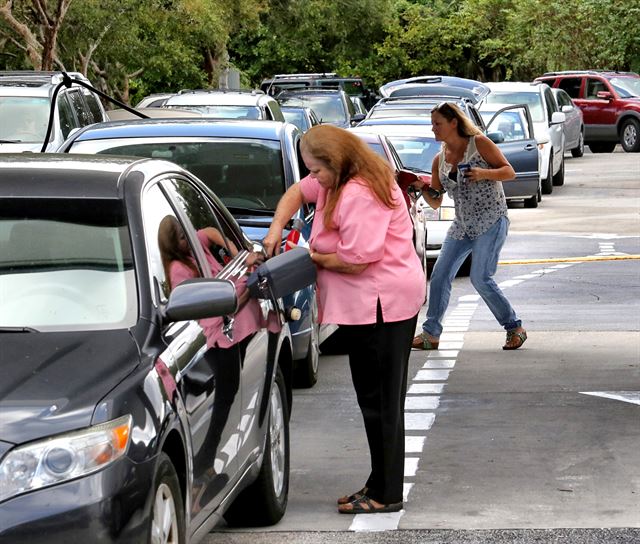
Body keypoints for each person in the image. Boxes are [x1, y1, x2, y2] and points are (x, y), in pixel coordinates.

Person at [263, 124, 426, 514]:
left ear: (335, 163)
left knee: (383, 401)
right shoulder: (337, 180)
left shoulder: (360, 192)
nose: (313, 178)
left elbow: (356, 260)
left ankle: (387, 494)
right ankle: (378, 482)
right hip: (367, 306)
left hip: (382, 305)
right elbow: (297, 192)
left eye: (317, 170)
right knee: (371, 397)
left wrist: (309, 257)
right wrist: (275, 228)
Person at [411, 102, 527, 351]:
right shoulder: (439, 159)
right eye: (432, 124)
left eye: (437, 124)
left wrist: (484, 174)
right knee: (440, 275)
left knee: (480, 278)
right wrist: (421, 189)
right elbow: (436, 200)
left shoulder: (479, 143)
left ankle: (514, 328)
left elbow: (509, 172)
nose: (433, 129)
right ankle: (431, 334)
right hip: (462, 225)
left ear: (454, 123)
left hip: (491, 220)